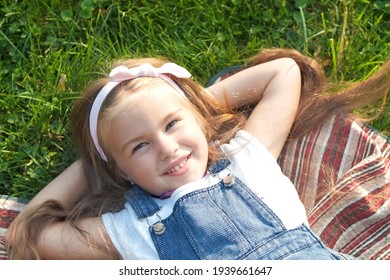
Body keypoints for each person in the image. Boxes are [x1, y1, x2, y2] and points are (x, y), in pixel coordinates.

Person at [6, 48, 389, 259]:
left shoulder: (246, 159)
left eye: (172, 125)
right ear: (121, 171)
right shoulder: (129, 229)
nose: (167, 148)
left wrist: (192, 106)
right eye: (139, 146)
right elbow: (33, 230)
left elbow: (283, 73)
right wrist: (96, 160)